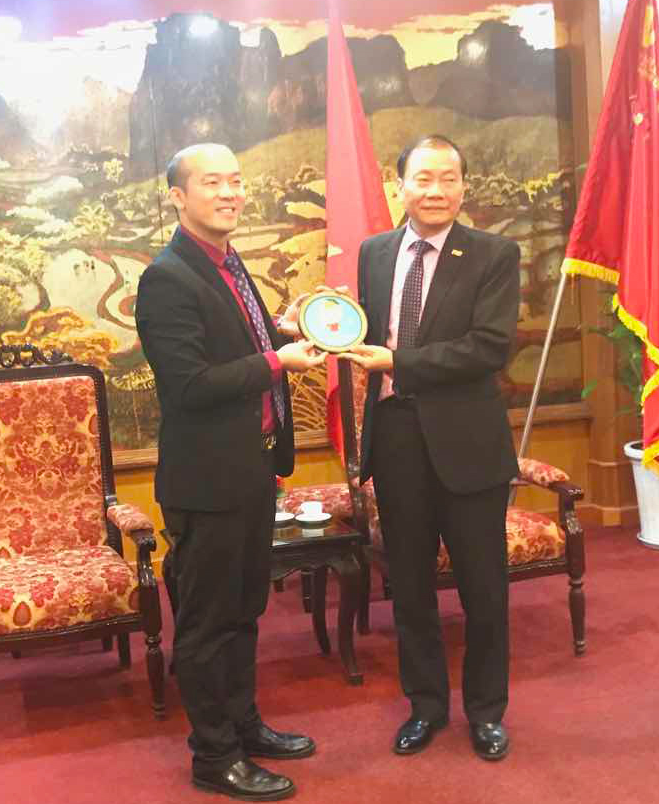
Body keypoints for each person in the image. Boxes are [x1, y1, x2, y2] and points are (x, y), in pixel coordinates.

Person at [136, 143, 327, 801]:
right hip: (207, 483)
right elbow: (190, 384)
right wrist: (278, 362)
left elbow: (233, 340)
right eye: (212, 182)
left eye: (236, 181)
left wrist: (281, 331)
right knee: (206, 623)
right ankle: (214, 755)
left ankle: (244, 725)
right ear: (178, 196)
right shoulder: (167, 278)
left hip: (251, 469)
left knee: (245, 610)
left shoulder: (225, 259)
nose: (229, 193)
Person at [340, 135, 520, 761]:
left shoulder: (494, 254)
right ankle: (425, 706)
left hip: (467, 444)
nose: (435, 190)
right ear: (401, 186)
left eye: (448, 178)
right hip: (395, 438)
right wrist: (319, 327)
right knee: (410, 587)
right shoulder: (375, 252)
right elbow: (363, 330)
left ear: (464, 187)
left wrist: (399, 361)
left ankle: (487, 712)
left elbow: (488, 348)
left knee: (483, 589)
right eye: (423, 178)